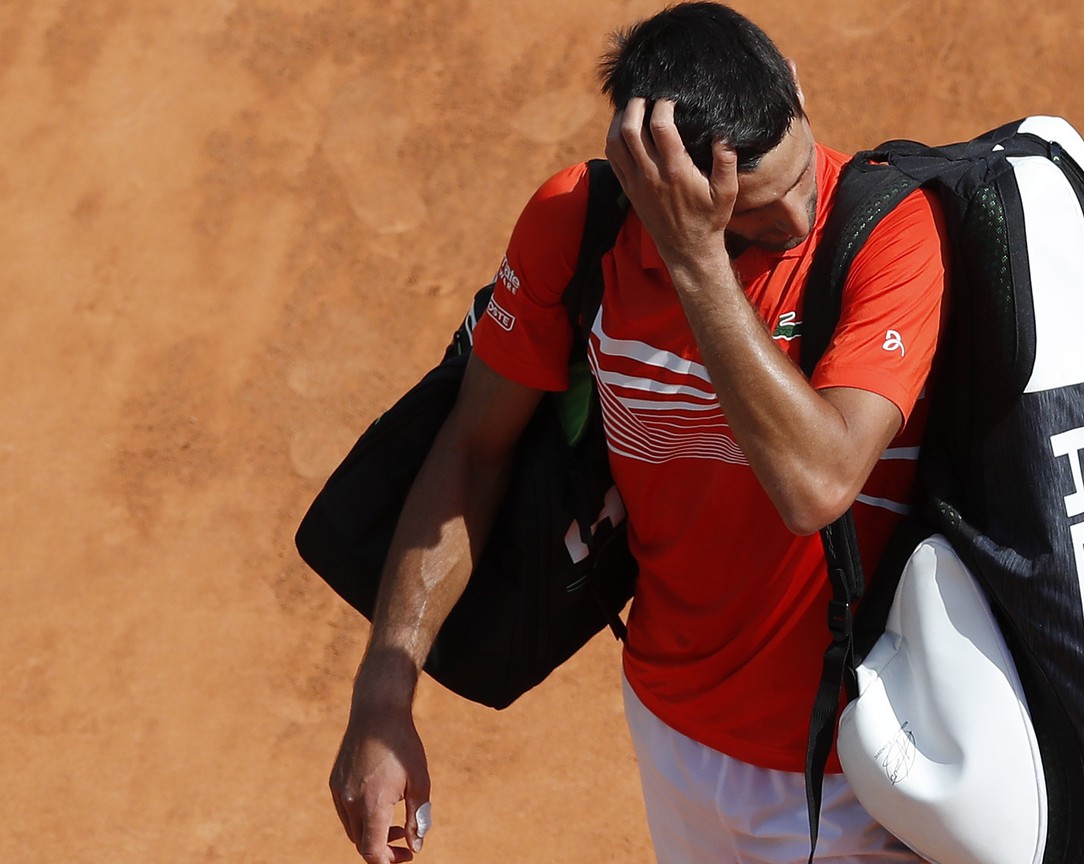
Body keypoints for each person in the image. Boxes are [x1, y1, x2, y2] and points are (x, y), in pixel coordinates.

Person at [328, 3, 947, 862]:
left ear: (797, 89)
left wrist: (697, 262)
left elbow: (817, 484)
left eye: (801, 177)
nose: (800, 220)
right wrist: (383, 696)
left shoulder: (889, 233)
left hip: (855, 770)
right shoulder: (577, 225)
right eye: (761, 223)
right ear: (662, 189)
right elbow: (473, 451)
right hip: (672, 728)